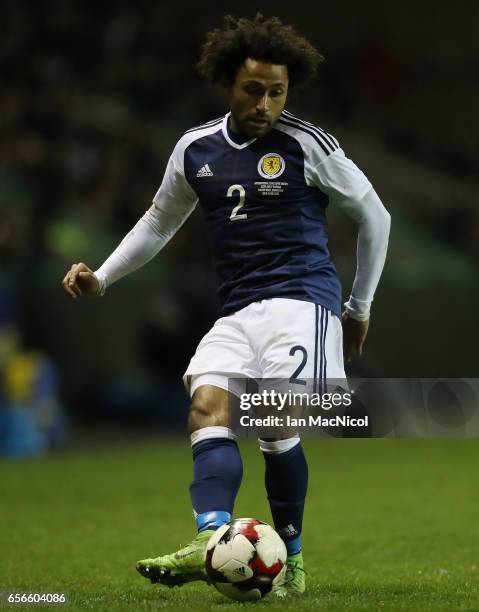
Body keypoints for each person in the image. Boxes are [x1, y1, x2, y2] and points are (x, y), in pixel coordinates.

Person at [62, 14, 390, 597]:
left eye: (277, 92)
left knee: (271, 424)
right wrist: (103, 276)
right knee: (205, 408)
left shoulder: (307, 144)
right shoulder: (196, 149)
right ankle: (211, 539)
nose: (265, 103)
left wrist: (358, 306)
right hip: (237, 309)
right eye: (253, 89)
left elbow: (375, 216)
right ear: (227, 84)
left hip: (301, 301)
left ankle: (291, 556)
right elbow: (159, 221)